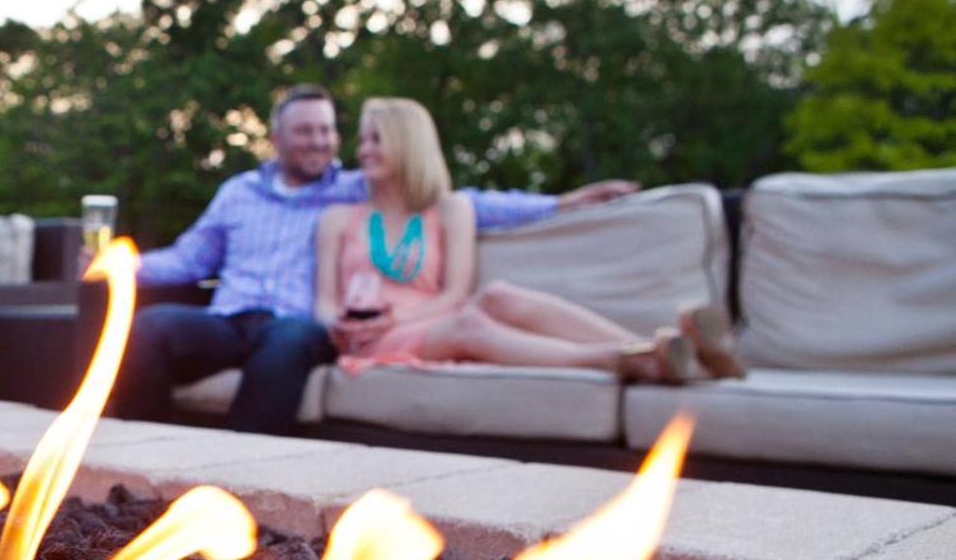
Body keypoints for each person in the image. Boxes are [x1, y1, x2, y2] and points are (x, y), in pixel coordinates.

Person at [111, 84, 637, 433]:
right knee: (150, 328)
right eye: (306, 132)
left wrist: (560, 203)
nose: (320, 141)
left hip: (298, 326)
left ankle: (242, 474)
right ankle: (152, 461)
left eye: (326, 130)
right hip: (229, 319)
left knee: (289, 341)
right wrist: (117, 263)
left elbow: (459, 200)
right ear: (276, 140)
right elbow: (186, 259)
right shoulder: (237, 193)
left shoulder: (353, 186)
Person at [316, 97, 740, 380]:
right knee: (471, 325)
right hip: (373, 341)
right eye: (363, 140)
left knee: (498, 295)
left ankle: (665, 349)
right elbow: (323, 301)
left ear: (408, 145)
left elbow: (454, 292)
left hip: (431, 316)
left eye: (376, 139)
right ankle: (629, 359)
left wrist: (564, 201)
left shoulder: (451, 209)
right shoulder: (338, 218)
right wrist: (335, 326)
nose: (363, 150)